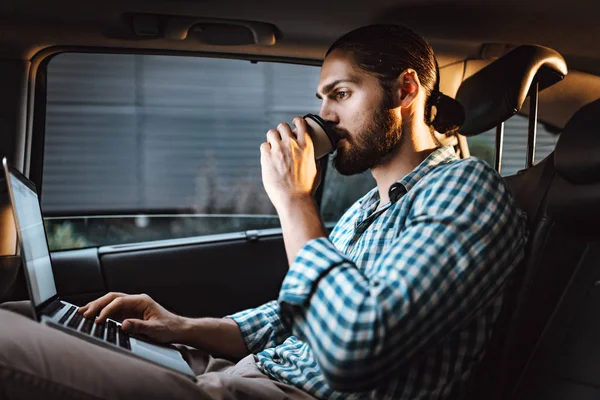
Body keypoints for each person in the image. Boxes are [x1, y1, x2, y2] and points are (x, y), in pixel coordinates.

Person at [0, 24, 527, 399]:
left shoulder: (466, 189)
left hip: (284, 393)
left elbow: (351, 349)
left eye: (341, 93)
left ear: (405, 90)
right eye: (322, 98)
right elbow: (289, 317)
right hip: (244, 374)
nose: (323, 115)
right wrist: (181, 326)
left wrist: (295, 201)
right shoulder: (371, 205)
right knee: (28, 318)